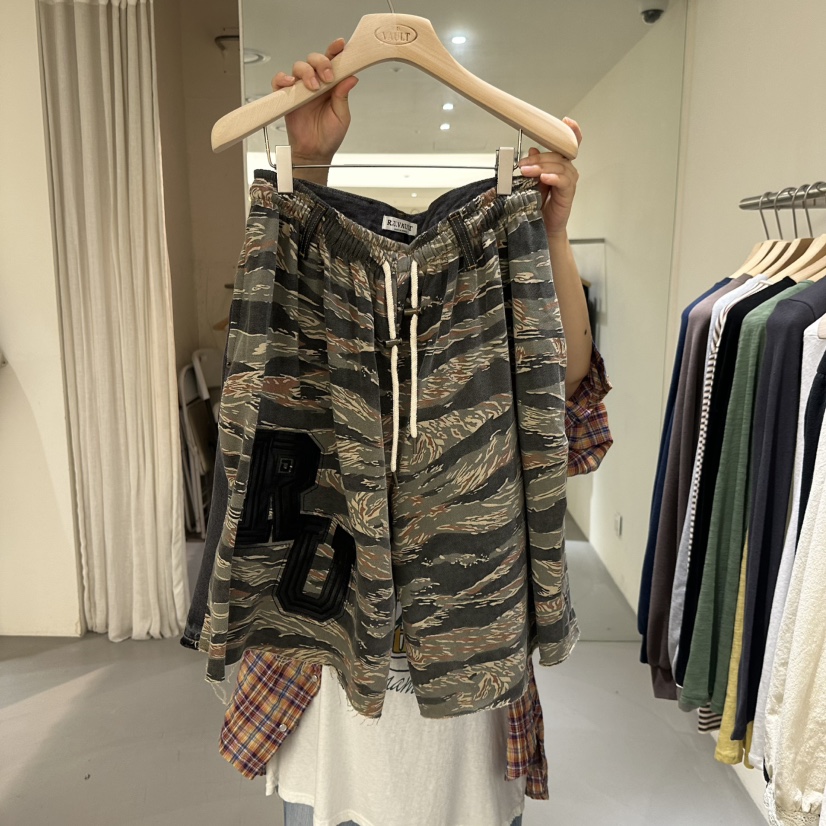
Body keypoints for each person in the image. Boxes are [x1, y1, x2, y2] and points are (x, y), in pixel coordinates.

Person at [217, 38, 612, 826]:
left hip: (473, 687)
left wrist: (549, 236)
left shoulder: (502, 265)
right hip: (318, 677)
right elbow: (258, 420)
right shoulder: (301, 261)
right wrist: (308, 170)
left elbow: (568, 398)